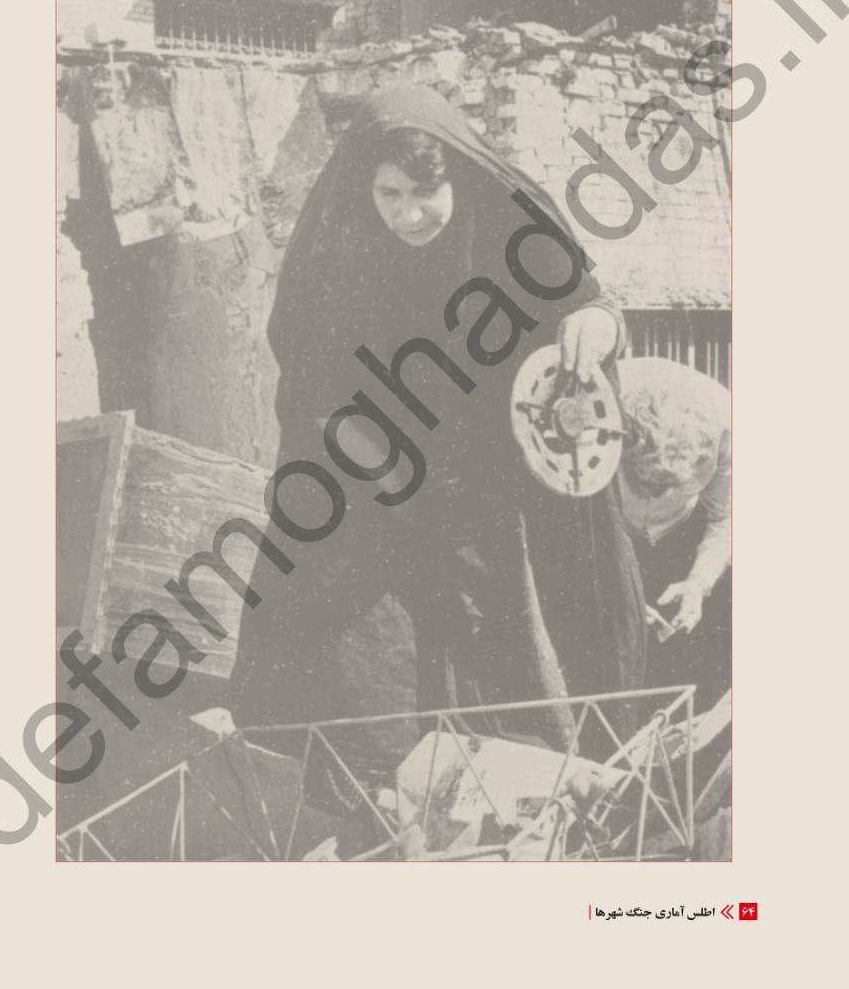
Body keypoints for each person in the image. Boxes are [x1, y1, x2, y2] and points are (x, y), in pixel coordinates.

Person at [229, 84, 646, 751]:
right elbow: (310, 376)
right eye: (389, 193)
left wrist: (597, 325)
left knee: (498, 637)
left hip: (484, 472)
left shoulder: (512, 225)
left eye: (427, 193)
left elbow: (586, 304)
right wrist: (382, 467)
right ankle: (353, 772)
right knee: (361, 649)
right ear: (364, 185)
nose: (409, 214)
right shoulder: (336, 245)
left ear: (463, 177)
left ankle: (519, 769)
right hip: (369, 468)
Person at [617, 356, 731, 710]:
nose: (654, 496)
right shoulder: (606, 401)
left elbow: (727, 518)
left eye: (667, 487)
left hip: (682, 539)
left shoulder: (729, 426)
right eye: (646, 483)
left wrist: (698, 583)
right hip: (608, 533)